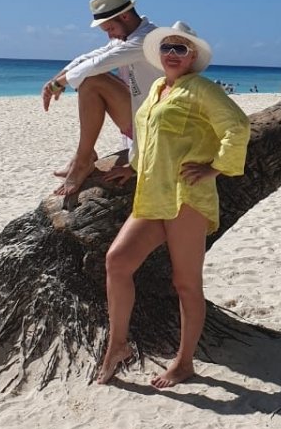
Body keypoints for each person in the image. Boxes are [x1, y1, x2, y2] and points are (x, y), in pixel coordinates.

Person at [97, 21, 250, 390]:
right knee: (117, 261)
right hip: (151, 193)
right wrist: (134, 170)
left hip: (186, 197)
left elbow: (238, 126)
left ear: (193, 56)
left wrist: (215, 168)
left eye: (180, 49)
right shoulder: (156, 88)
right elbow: (151, 138)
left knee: (185, 283)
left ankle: (184, 363)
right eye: (167, 47)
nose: (172, 54)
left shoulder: (201, 89)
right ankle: (118, 346)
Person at [42, 0, 161, 196]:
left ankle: (82, 161)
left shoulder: (147, 39)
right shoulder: (126, 37)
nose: (110, 34)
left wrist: (57, 85)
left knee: (92, 81)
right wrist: (54, 81)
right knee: (90, 78)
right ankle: (84, 157)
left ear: (124, 16)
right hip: (139, 115)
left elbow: (99, 64)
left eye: (110, 28)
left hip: (156, 125)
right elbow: (88, 58)